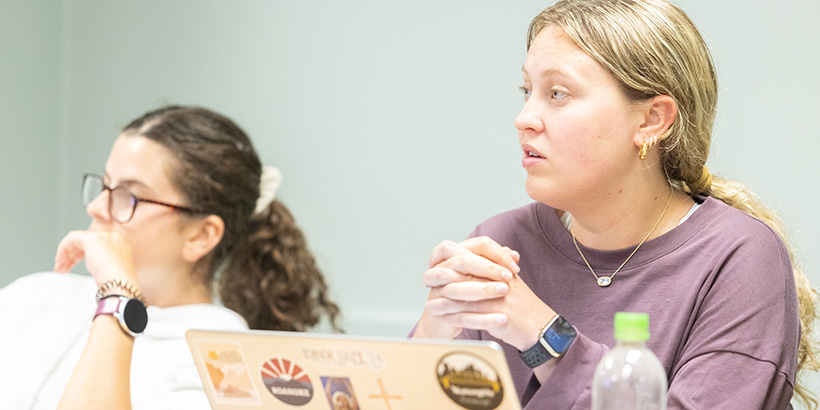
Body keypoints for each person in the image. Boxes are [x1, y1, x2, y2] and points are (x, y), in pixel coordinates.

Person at [412, 0, 819, 409]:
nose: (524, 118)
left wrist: (546, 336)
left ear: (651, 120)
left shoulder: (740, 259)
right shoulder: (497, 243)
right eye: (526, 92)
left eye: (557, 93)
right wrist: (428, 340)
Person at [0, 106, 340, 409]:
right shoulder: (37, 294)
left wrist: (118, 300)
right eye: (104, 185)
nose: (96, 207)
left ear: (200, 235)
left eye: (128, 196)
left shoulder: (223, 359)